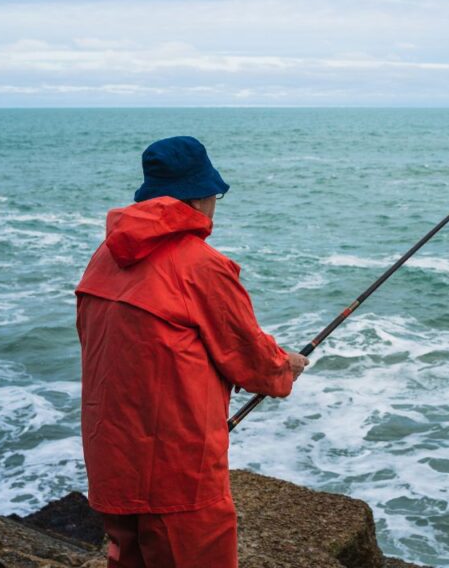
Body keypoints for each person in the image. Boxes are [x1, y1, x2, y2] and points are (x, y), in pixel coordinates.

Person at [75, 135, 309, 567]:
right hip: (177, 469)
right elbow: (252, 359)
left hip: (110, 457)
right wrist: (286, 367)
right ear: (200, 198)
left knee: (129, 558)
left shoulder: (103, 258)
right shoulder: (201, 265)